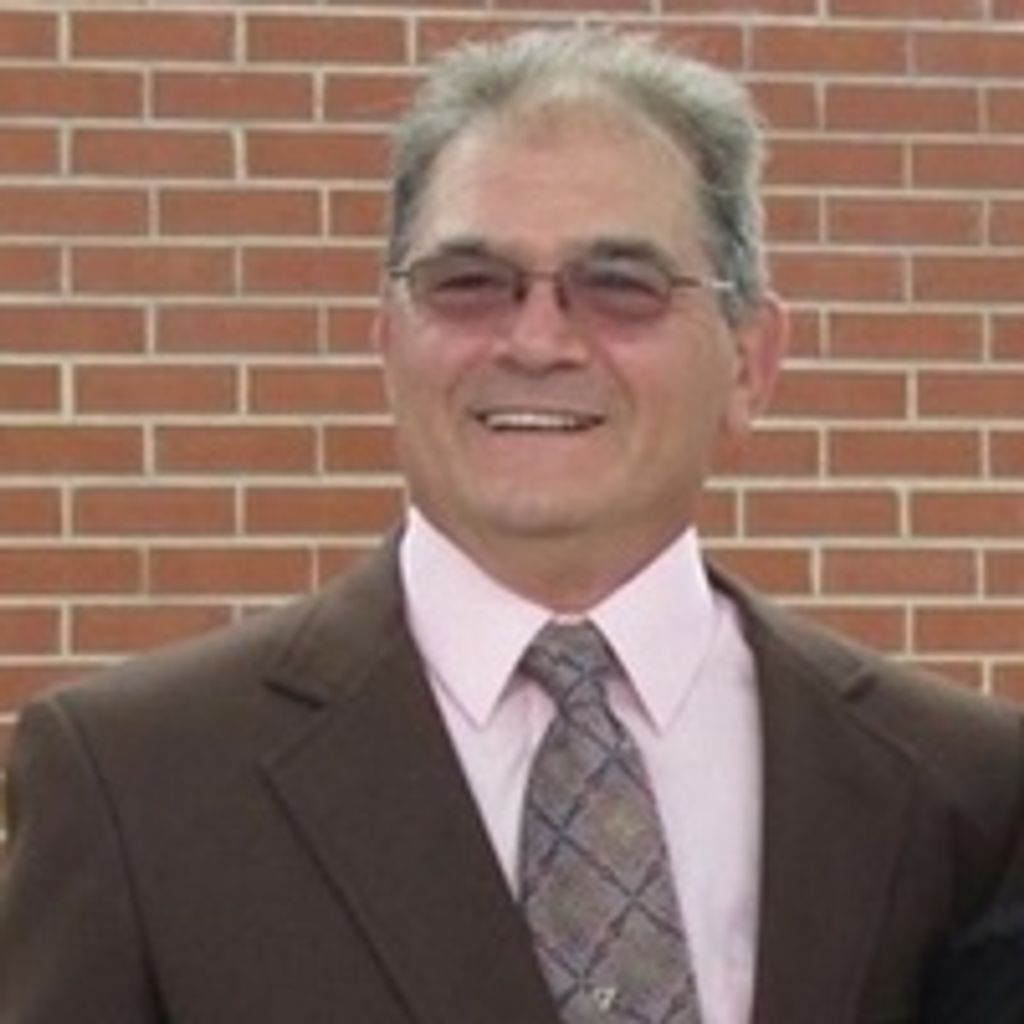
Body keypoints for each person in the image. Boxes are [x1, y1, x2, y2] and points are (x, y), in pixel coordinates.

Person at [1, 28, 1021, 1024]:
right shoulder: (140, 784)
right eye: (468, 284)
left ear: (749, 362)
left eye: (620, 286)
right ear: (388, 340)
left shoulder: (961, 789)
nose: (536, 341)